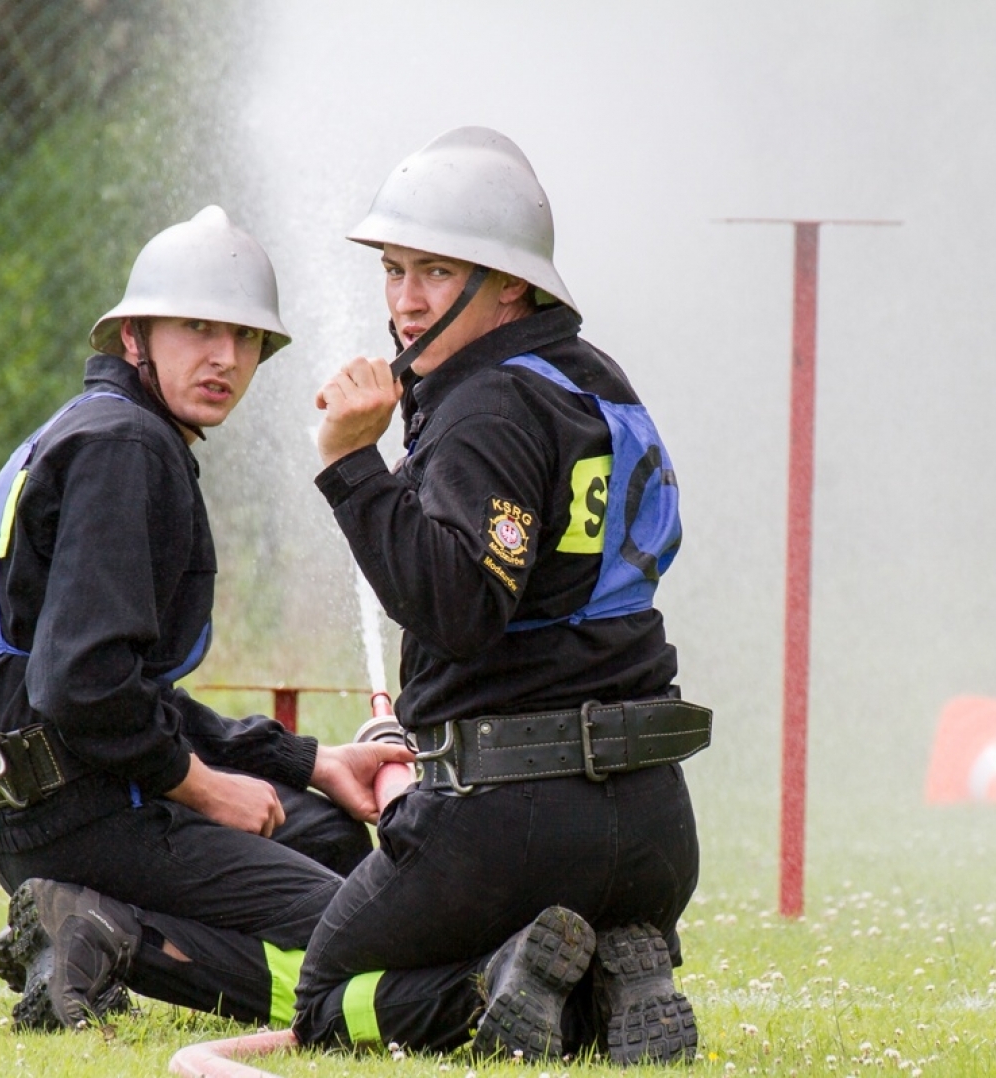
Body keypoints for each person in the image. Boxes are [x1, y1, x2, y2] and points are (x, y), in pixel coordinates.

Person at [0, 206, 412, 1032]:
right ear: (135, 338)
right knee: (375, 952)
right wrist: (207, 788)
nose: (224, 358)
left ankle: (93, 925)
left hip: (60, 800)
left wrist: (308, 762)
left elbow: (126, 690)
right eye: (197, 328)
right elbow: (85, 685)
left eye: (246, 339)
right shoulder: (127, 448)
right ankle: (103, 934)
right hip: (84, 814)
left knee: (326, 837)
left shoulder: (106, 431)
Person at [292, 128, 712, 1065]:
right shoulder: (598, 383)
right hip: (651, 823)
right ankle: (616, 970)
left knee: (328, 1000)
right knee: (548, 952)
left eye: (436, 273)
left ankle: (502, 979)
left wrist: (353, 465)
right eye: (395, 271)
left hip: (507, 819)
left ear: (510, 284)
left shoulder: (486, 407)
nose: (405, 301)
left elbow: (459, 609)